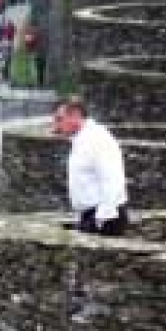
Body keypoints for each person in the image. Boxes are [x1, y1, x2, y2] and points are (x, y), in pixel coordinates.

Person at [53, 97, 128, 236]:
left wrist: (101, 218)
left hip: (105, 217)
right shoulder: (83, 140)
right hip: (92, 215)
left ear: (75, 115)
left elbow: (112, 179)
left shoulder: (97, 140)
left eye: (59, 119)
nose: (56, 127)